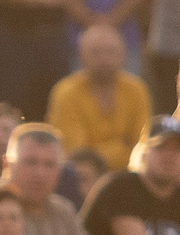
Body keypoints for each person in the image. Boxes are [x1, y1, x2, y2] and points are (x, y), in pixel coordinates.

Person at [45, 23, 152, 172]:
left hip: (130, 175)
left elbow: (143, 147)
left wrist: (97, 150)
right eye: (95, 53)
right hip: (83, 177)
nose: (104, 59)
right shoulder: (66, 93)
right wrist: (122, 146)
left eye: (111, 51)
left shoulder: (137, 89)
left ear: (124, 54)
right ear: (80, 56)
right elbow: (77, 155)